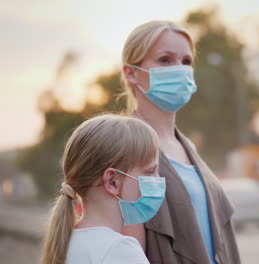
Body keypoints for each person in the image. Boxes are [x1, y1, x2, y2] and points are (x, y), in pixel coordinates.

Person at [121, 20, 241, 264]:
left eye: (186, 61)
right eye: (165, 60)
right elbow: (128, 250)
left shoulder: (188, 147)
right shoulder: (124, 147)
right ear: (131, 72)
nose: (179, 69)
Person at [41, 114, 166, 264]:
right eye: (150, 171)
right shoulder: (120, 250)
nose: (157, 179)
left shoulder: (67, 243)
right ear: (112, 182)